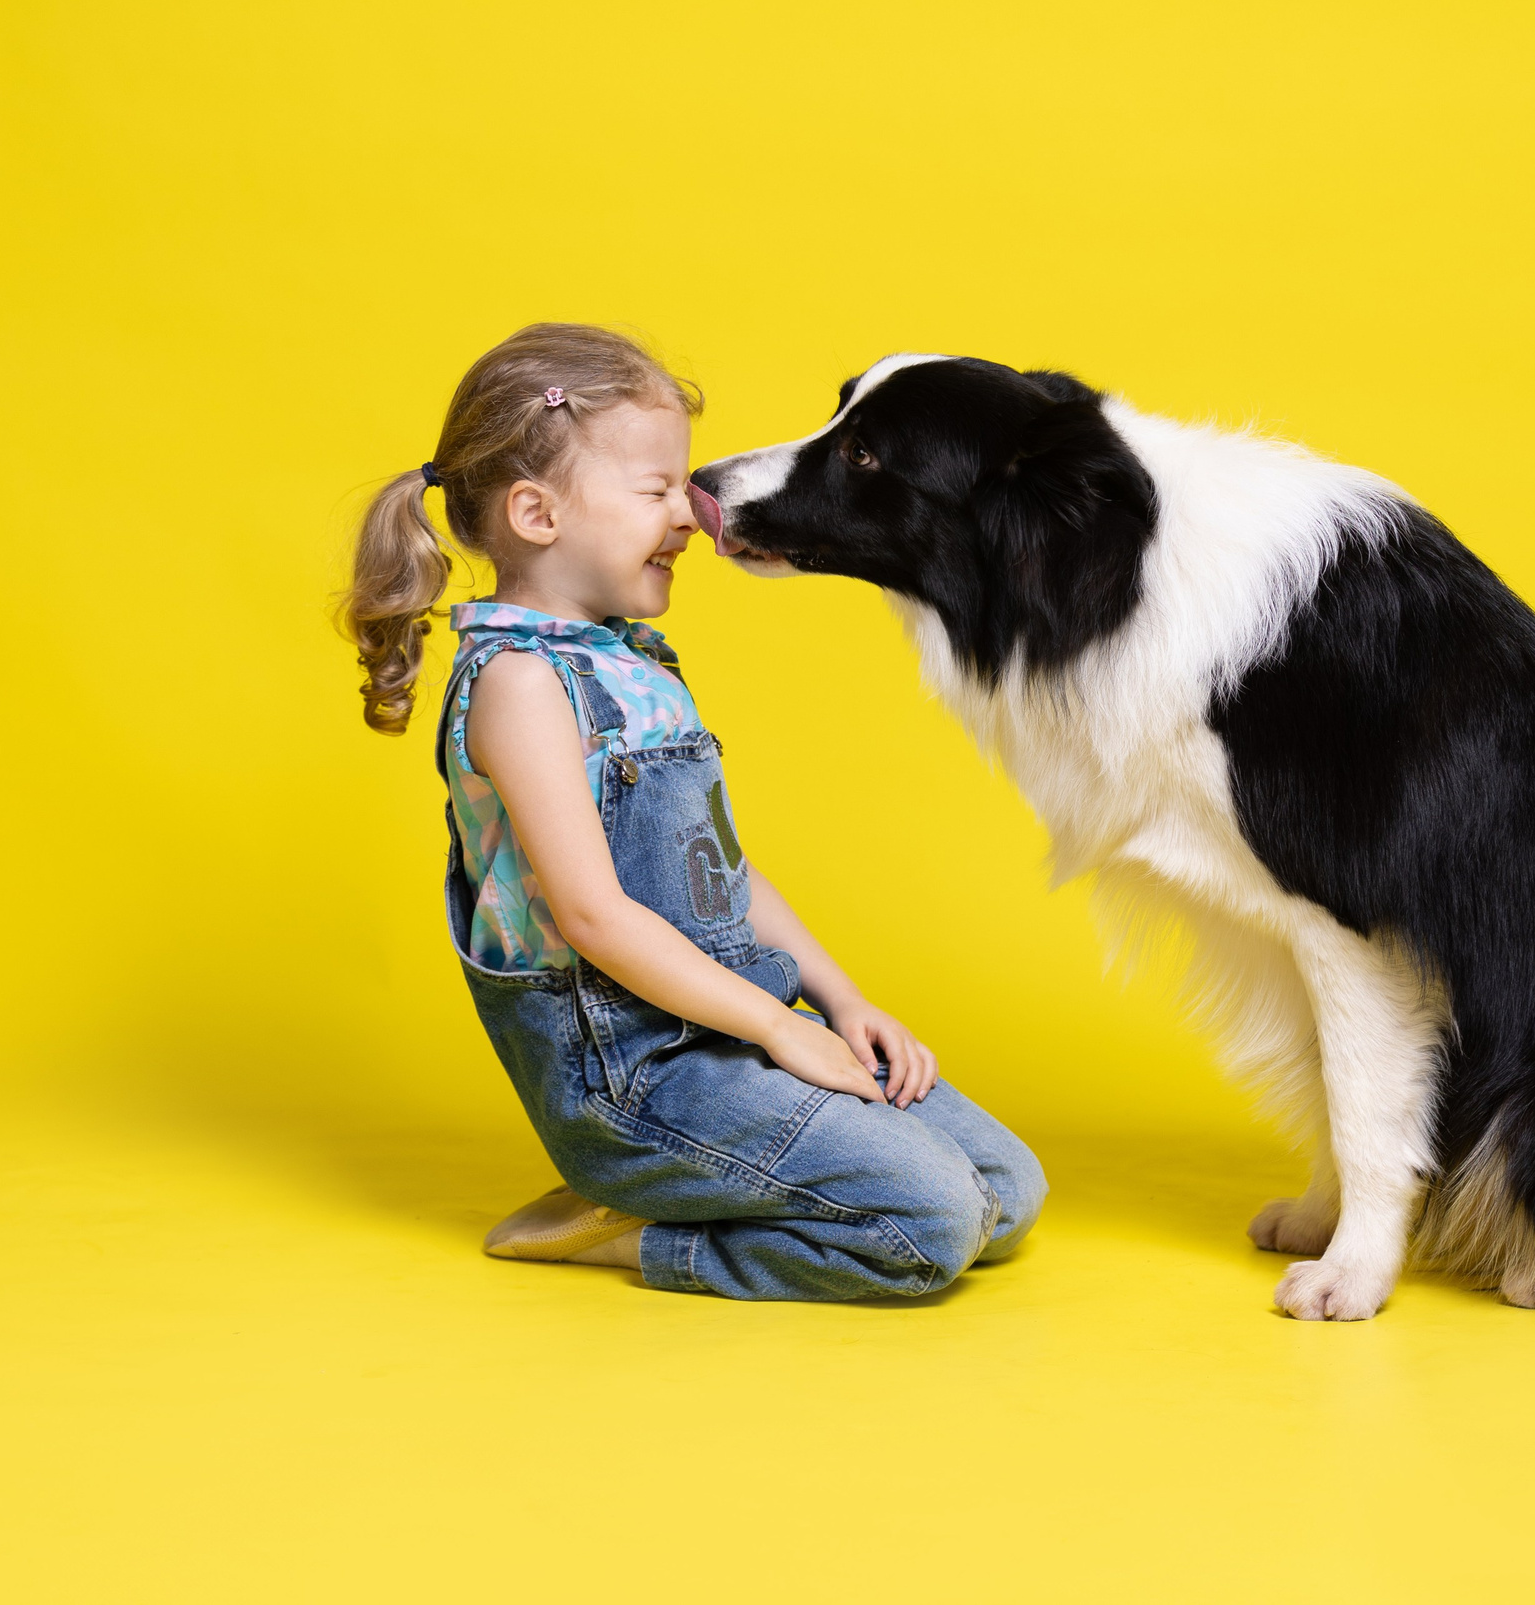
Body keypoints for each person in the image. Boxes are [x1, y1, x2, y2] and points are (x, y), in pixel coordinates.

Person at [340, 322, 1044, 1299]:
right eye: (658, 490)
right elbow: (594, 917)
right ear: (537, 513)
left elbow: (723, 869)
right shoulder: (518, 686)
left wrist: (840, 1002)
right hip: (636, 1080)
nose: (695, 511)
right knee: (932, 1223)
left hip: (730, 1029)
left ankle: (733, 1178)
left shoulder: (631, 663)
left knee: (1009, 1190)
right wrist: (780, 1030)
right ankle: (627, 1226)